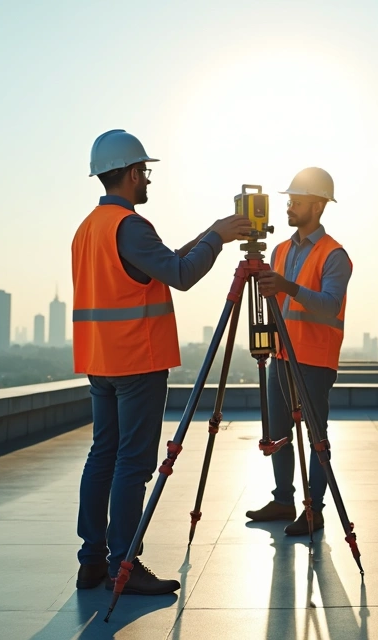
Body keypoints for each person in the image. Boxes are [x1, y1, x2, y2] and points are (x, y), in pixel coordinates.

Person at [72, 129, 253, 595]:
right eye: (145, 172)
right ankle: (124, 565)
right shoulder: (130, 227)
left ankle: (92, 562)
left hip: (101, 360)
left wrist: (212, 232)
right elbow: (181, 273)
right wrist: (215, 237)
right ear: (132, 173)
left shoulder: (89, 228)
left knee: (102, 456)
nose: (148, 180)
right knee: (133, 464)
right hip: (137, 360)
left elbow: (163, 260)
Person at [245, 167, 352, 536]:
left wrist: (288, 287)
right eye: (289, 201)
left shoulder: (334, 255)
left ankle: (314, 509)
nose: (289, 207)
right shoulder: (280, 249)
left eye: (297, 202)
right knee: (278, 432)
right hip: (281, 356)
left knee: (315, 436)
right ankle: (283, 499)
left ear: (319, 206)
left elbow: (329, 304)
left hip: (314, 360)